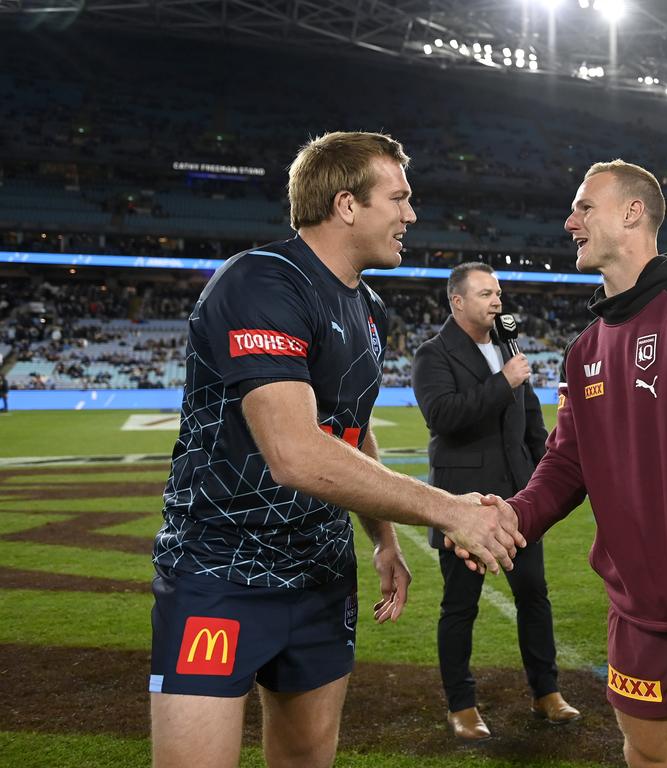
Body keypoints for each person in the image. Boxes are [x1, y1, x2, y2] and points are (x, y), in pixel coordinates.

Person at [149, 131, 524, 768]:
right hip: (221, 573)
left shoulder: (368, 305)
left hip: (321, 577)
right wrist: (449, 510)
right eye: (399, 199)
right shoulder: (262, 280)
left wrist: (382, 538)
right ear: (347, 205)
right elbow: (294, 452)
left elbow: (353, 430)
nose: (411, 215)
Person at [478, 160, 667, 767]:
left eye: (583, 207)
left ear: (632, 213)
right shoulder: (584, 348)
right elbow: (568, 462)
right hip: (637, 610)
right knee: (646, 758)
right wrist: (512, 518)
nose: (569, 222)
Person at [412, 262, 579, 742]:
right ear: (457, 302)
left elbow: (531, 428)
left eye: (498, 292)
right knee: (460, 608)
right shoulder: (433, 355)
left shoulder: (511, 350)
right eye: (486, 293)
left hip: (516, 504)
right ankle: (461, 705)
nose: (497, 301)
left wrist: (537, 490)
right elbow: (443, 416)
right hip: (462, 506)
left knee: (534, 597)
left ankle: (546, 692)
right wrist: (503, 381)